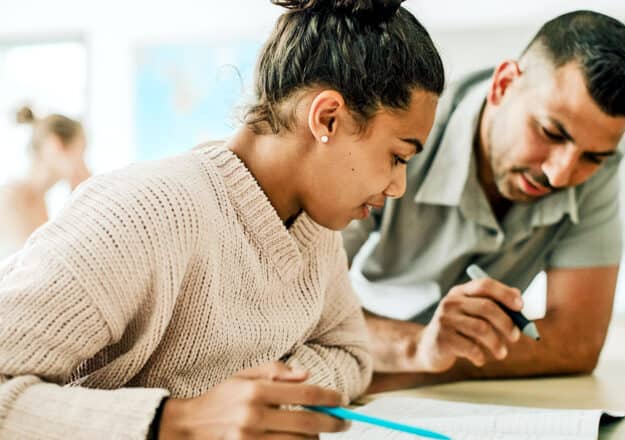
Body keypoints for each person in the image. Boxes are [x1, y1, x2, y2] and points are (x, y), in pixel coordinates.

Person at [0, 0, 443, 438]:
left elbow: (349, 354)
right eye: (397, 156)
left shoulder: (316, 227)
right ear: (326, 118)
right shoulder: (142, 214)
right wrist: (176, 421)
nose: (398, 186)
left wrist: (260, 405)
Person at [342, 10, 625, 391]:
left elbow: (576, 344)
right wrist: (417, 347)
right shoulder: (403, 133)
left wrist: (421, 365)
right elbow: (298, 315)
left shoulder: (597, 166)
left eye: (593, 157)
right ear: (504, 85)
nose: (560, 175)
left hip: (391, 373)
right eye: (550, 132)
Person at [0, 107, 91, 259]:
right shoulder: (9, 198)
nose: (84, 165)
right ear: (56, 145)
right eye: (81, 152)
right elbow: (35, 264)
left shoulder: (40, 202)